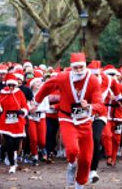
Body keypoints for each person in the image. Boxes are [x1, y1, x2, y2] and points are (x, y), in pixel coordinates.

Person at [35, 53, 105, 189]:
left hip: (85, 120)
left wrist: (90, 106)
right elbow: (47, 86)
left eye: (81, 67)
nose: (79, 70)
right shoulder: (63, 78)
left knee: (86, 159)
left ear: (85, 67)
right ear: (71, 68)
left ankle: (79, 185)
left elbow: (100, 104)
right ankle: (72, 163)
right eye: (76, 68)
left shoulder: (93, 80)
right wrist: (36, 101)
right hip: (67, 118)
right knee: (72, 149)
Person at [0, 73, 29, 174]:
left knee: (16, 145)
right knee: (10, 143)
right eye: (9, 85)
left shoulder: (20, 93)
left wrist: (22, 112)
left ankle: (3, 149)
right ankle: (12, 164)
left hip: (17, 122)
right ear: (7, 85)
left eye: (13, 85)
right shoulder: (3, 93)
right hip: (6, 122)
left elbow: (25, 106)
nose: (11, 87)